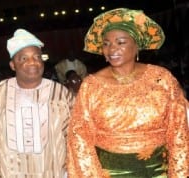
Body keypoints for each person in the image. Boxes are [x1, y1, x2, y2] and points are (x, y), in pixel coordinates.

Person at [66, 8, 189, 178]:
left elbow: (179, 131)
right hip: (109, 173)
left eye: (120, 42)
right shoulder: (91, 85)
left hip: (158, 172)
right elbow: (79, 137)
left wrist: (179, 173)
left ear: (136, 45)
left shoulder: (162, 79)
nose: (112, 49)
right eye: (106, 43)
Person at [0, 28, 75, 178]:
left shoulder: (61, 93)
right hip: (9, 172)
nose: (33, 62)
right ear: (12, 65)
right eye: (23, 58)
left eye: (37, 57)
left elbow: (75, 134)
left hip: (54, 170)